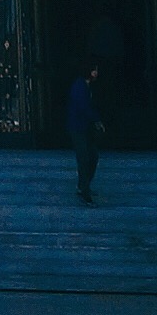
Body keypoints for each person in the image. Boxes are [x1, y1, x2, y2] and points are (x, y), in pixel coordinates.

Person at [64, 61, 105, 206]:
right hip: (78, 127)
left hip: (83, 127)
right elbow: (83, 107)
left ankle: (84, 186)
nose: (96, 73)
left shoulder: (84, 86)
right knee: (85, 158)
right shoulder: (80, 86)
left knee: (90, 156)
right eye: (94, 70)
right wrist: (96, 120)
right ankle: (84, 190)